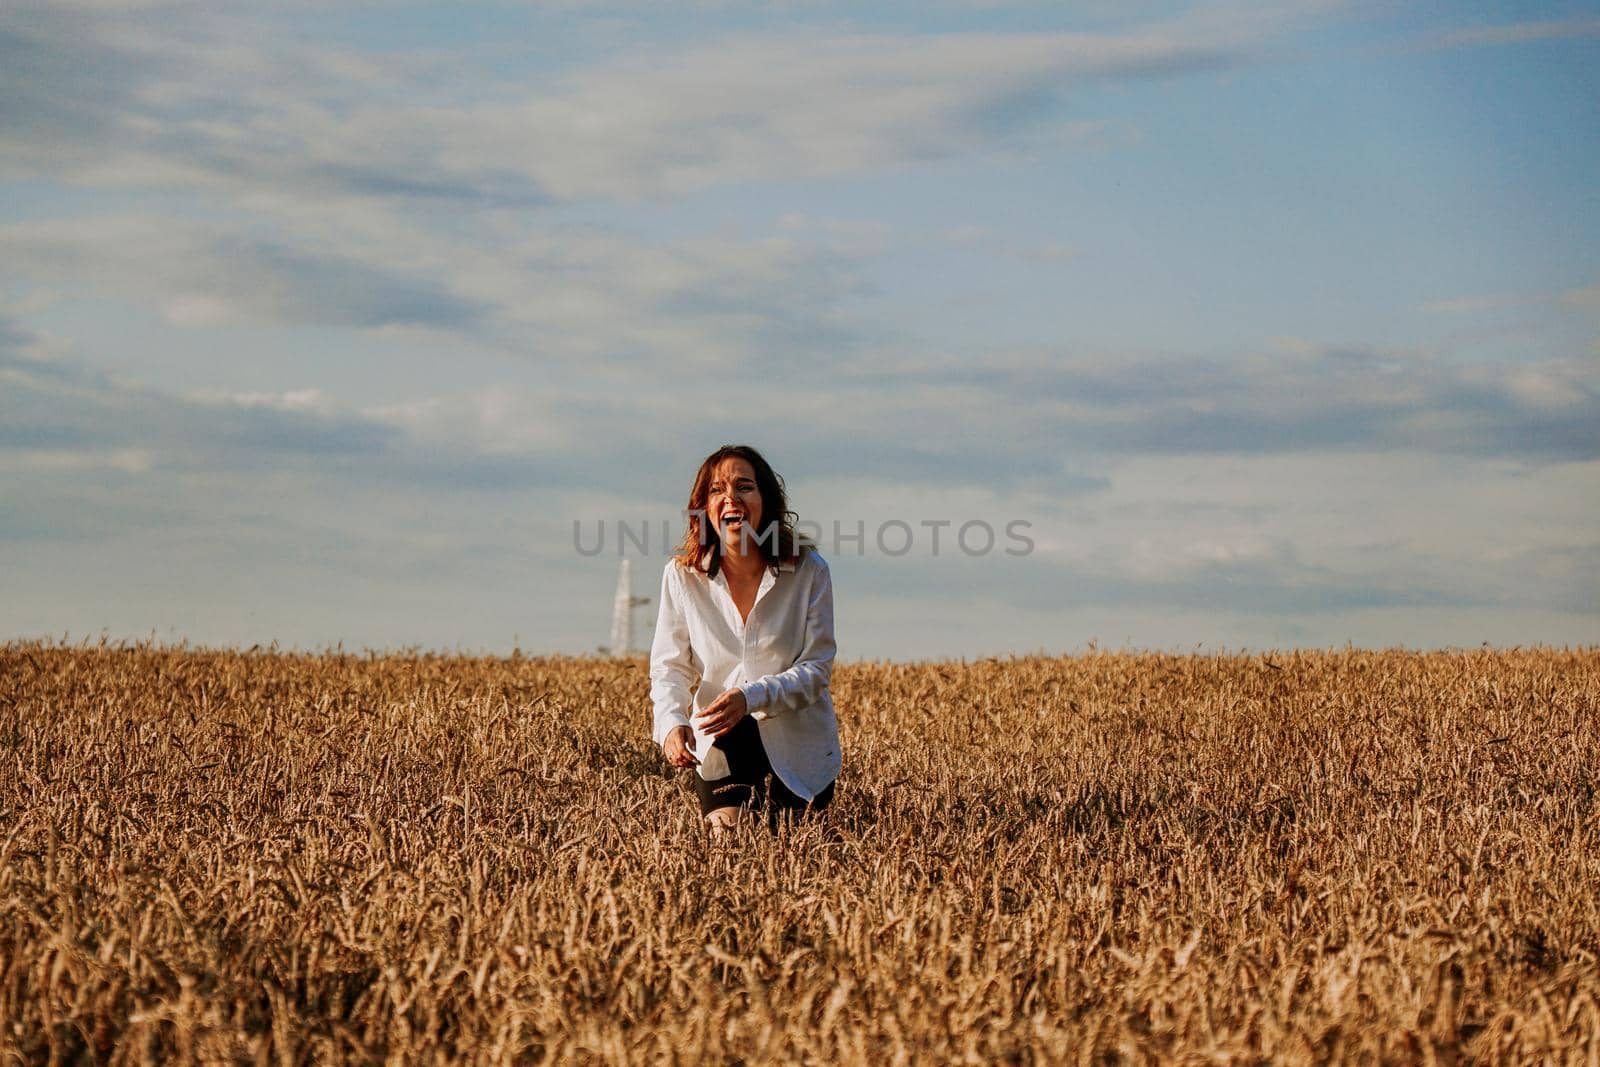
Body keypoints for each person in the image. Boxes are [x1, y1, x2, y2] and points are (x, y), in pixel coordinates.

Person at [649, 444, 840, 836]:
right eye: (717, 490)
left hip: (801, 748)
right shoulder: (682, 577)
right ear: (704, 507)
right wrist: (671, 723)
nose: (731, 498)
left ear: (766, 502)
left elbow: (816, 670)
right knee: (726, 848)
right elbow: (669, 667)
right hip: (722, 738)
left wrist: (749, 697)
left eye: (744, 487)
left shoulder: (809, 572)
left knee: (792, 854)